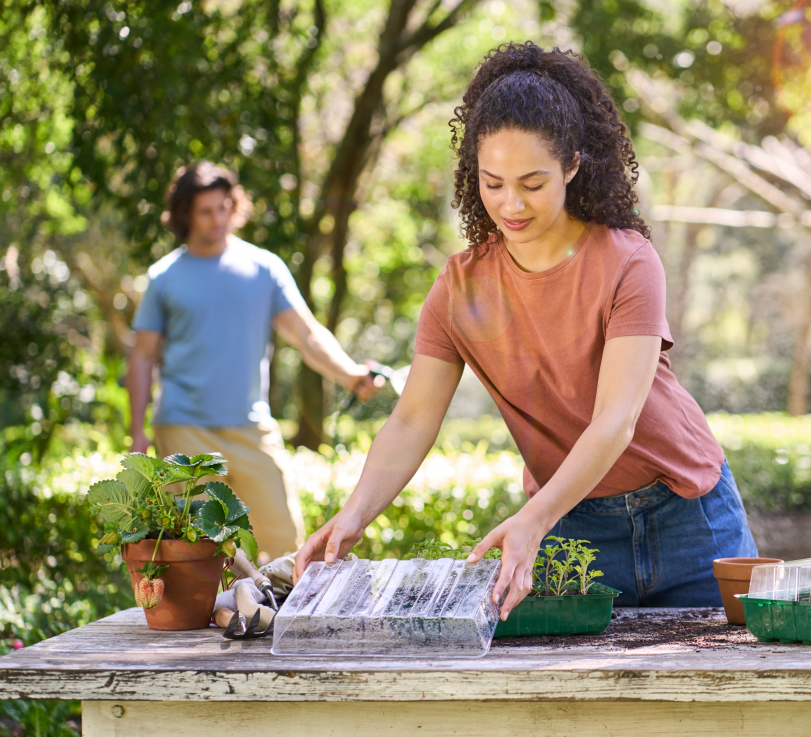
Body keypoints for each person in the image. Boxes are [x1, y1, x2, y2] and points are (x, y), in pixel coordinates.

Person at [293, 42, 757, 617]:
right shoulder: (459, 290)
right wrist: (354, 514)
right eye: (493, 183)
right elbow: (412, 418)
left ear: (571, 166)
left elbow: (616, 419)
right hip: (571, 528)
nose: (510, 204)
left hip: (690, 518)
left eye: (532, 184)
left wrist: (533, 520)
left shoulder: (628, 262)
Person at [128, 162, 382, 560]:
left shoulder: (264, 268)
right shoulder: (165, 277)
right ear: (185, 216)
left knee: (286, 543)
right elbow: (142, 357)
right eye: (205, 211)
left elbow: (305, 333)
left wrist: (350, 374)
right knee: (197, 555)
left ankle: (279, 620)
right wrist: (136, 432)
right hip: (183, 429)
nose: (218, 219)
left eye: (224, 207)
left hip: (251, 428)